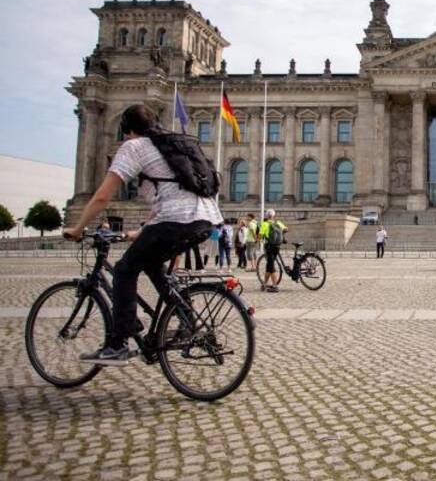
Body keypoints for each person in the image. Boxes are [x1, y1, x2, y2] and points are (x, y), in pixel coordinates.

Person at [62, 104, 222, 364]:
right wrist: (138, 232)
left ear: (127, 131)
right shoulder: (166, 146)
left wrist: (78, 227)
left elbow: (102, 196)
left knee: (124, 270)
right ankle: (186, 321)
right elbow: (164, 202)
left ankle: (118, 342)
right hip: (207, 218)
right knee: (152, 265)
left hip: (177, 220)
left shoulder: (134, 146)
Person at [259, 209, 287, 292]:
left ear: (267, 216)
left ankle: (275, 286)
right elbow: (286, 229)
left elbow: (260, 236)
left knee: (271, 266)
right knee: (269, 265)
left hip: (269, 246)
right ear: (274, 216)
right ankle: (264, 284)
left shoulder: (264, 224)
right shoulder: (278, 223)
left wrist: (257, 239)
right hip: (277, 246)